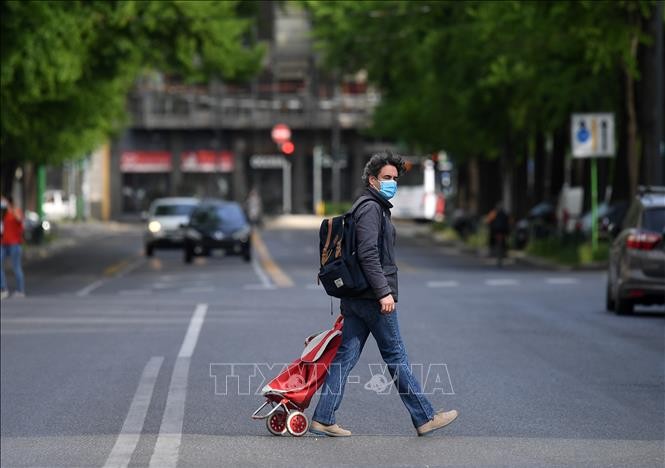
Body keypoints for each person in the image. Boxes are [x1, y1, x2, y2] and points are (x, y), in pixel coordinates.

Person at [310, 151, 459, 437]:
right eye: (387, 178)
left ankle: (323, 417)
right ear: (372, 180)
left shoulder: (369, 206)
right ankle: (425, 416)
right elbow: (367, 254)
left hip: (356, 298)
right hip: (371, 298)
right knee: (396, 356)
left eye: (395, 178)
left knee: (345, 358)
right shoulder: (370, 209)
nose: (392, 183)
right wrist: (384, 293)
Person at [1, 195, 26, 299]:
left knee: (16, 267)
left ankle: (20, 291)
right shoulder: (4, 214)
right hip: (3, 243)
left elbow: (19, 219)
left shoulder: (16, 211)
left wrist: (11, 208)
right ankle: (3, 289)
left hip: (15, 244)